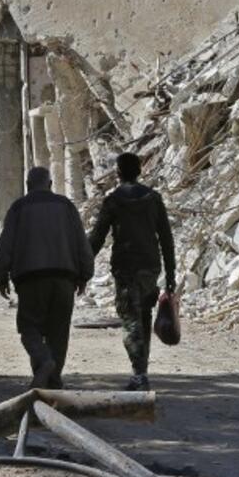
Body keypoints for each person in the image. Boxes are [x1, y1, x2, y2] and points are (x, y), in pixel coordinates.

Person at [0, 167, 94, 389]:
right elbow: (81, 242)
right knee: (59, 333)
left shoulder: (19, 208)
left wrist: (1, 276)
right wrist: (85, 274)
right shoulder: (66, 206)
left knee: (30, 328)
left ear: (28, 186)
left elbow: (5, 246)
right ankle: (52, 381)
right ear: (49, 185)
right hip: (64, 279)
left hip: (31, 280)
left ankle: (44, 363)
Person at [89, 152, 176, 391]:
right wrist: (170, 275)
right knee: (144, 316)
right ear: (139, 171)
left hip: (126, 267)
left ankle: (139, 373)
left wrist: (81, 265)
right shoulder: (153, 198)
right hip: (150, 266)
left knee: (130, 320)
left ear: (117, 174)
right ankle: (142, 370)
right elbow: (166, 239)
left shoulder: (113, 201)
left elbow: (97, 238)